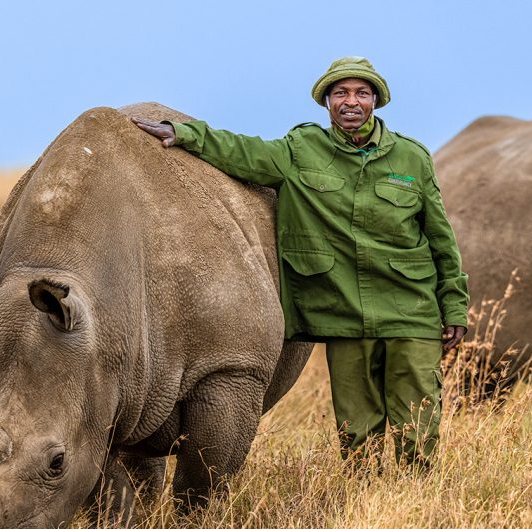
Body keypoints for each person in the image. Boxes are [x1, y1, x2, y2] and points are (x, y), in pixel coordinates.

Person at [133, 56, 469, 471]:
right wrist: (185, 134)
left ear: (376, 101)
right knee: (356, 433)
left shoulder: (411, 159)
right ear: (326, 101)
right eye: (341, 93)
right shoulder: (300, 150)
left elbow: (441, 240)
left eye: (361, 93)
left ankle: (410, 510)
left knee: (416, 425)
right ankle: (368, 510)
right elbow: (242, 151)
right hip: (346, 318)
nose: (351, 102)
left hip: (412, 312)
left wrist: (453, 306)